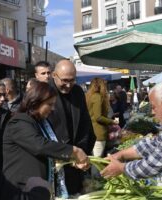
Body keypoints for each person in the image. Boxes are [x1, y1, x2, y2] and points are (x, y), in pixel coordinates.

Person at [3, 81, 89, 199]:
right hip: (21, 189)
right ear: (35, 102)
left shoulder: (41, 123)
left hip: (38, 188)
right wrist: (74, 151)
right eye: (49, 104)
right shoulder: (18, 122)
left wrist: (72, 160)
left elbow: (52, 149)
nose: (53, 108)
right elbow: (39, 146)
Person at [48, 59, 96, 196]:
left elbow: (85, 123)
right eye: (64, 80)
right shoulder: (44, 92)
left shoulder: (78, 91)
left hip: (77, 158)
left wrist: (82, 152)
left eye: (72, 80)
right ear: (54, 75)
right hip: (54, 158)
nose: (68, 85)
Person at [86, 78, 119, 157]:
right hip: (98, 133)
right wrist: (112, 121)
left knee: (93, 158)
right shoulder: (97, 97)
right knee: (97, 160)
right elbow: (98, 117)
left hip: (91, 132)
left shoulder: (88, 96)